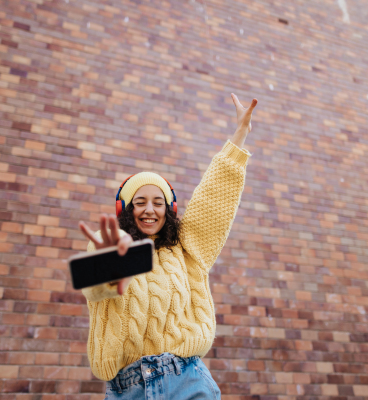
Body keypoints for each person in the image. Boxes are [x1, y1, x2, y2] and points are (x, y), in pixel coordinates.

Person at [78, 93, 258, 399]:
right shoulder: (114, 245)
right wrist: (106, 258)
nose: (150, 209)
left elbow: (212, 199)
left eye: (158, 202)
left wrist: (239, 135)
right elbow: (94, 286)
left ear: (169, 209)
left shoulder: (187, 251)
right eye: (140, 202)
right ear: (126, 208)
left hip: (186, 381)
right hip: (128, 390)